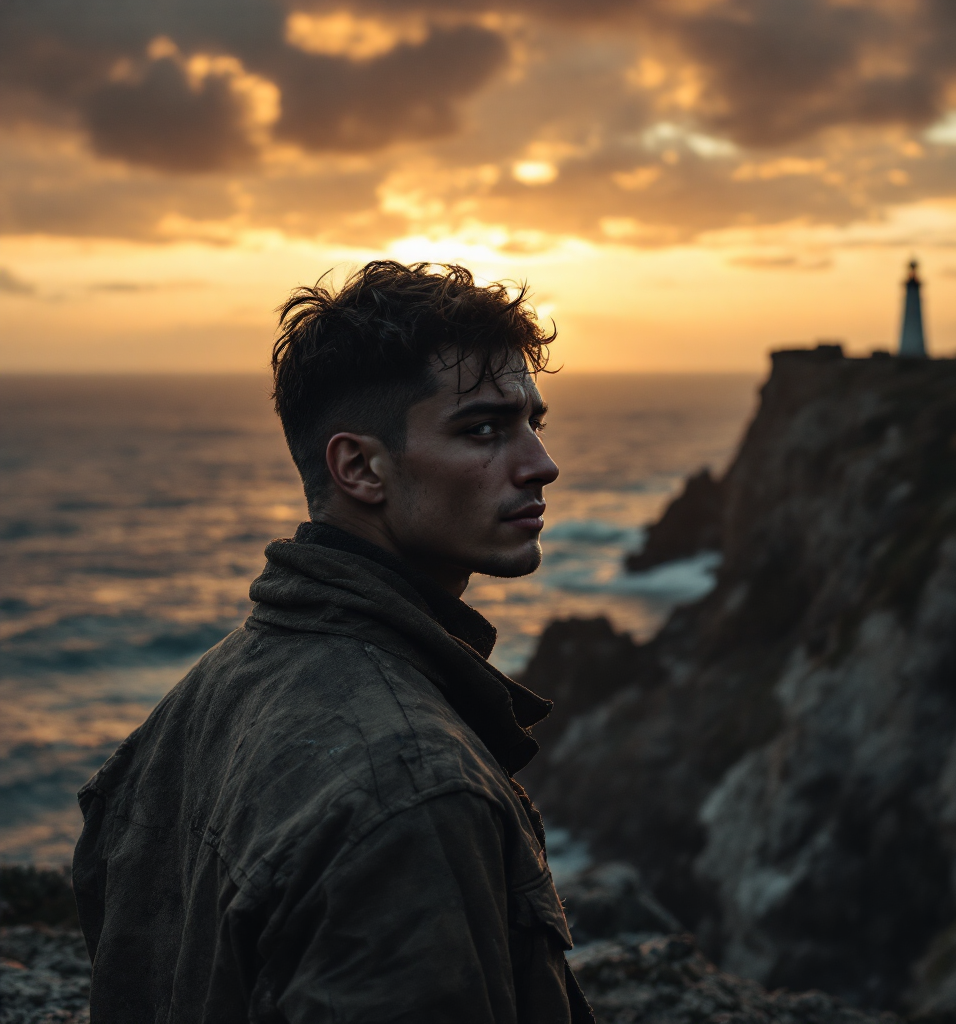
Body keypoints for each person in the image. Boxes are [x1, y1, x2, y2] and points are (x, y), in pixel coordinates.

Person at [72, 261, 594, 1023]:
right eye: (483, 429)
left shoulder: (205, 694)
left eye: (532, 425)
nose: (540, 466)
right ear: (358, 467)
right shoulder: (417, 789)